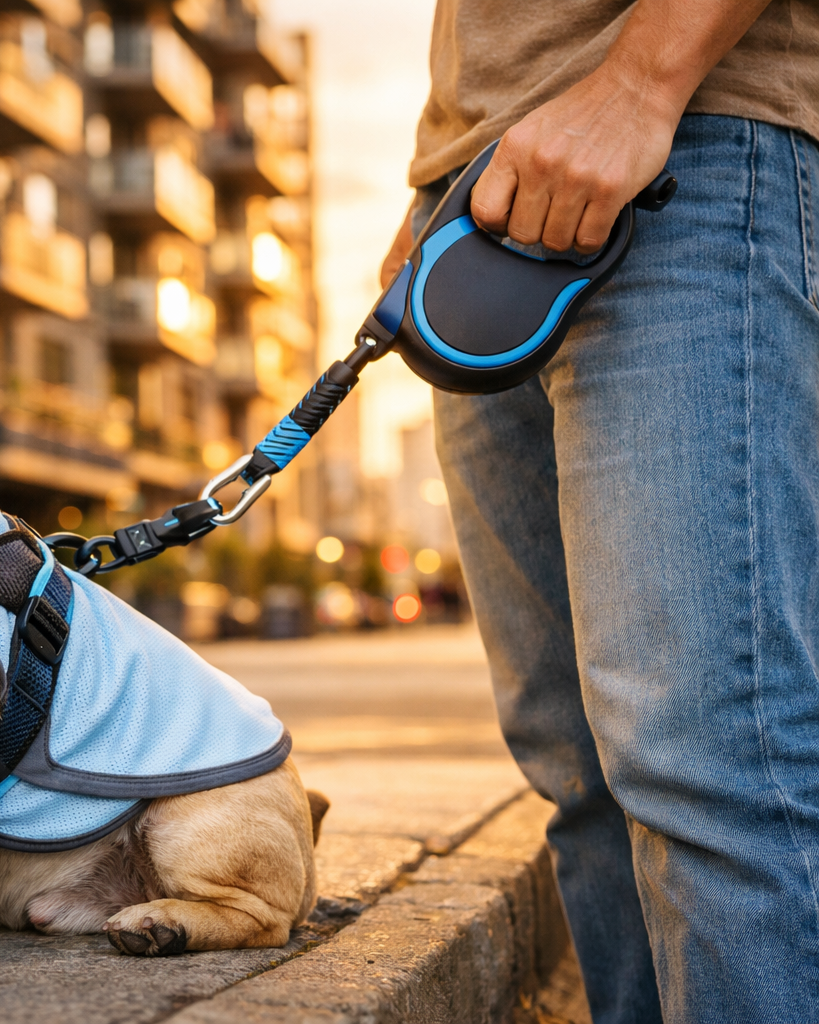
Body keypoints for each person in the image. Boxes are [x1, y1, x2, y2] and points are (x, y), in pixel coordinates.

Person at [378, 1, 819, 1021]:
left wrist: (641, 79)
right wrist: (433, 174)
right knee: (576, 769)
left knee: (712, 760)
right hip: (476, 202)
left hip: (686, 142)